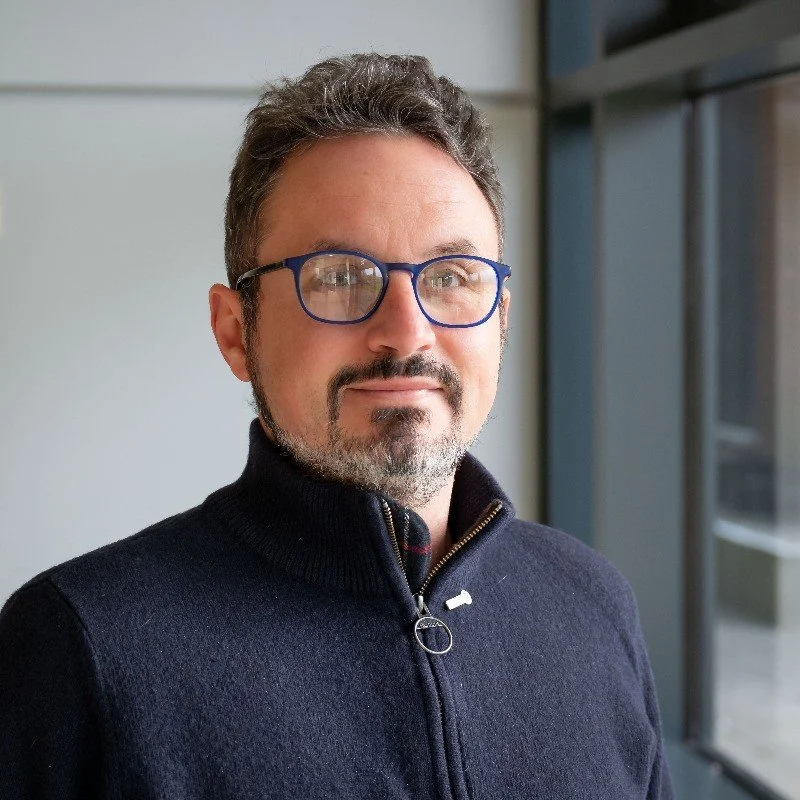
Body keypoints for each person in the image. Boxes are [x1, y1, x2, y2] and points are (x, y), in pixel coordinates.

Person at [0, 53, 673, 798]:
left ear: (501, 322)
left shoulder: (593, 604)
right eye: (341, 277)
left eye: (451, 278)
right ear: (235, 331)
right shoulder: (79, 645)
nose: (407, 332)